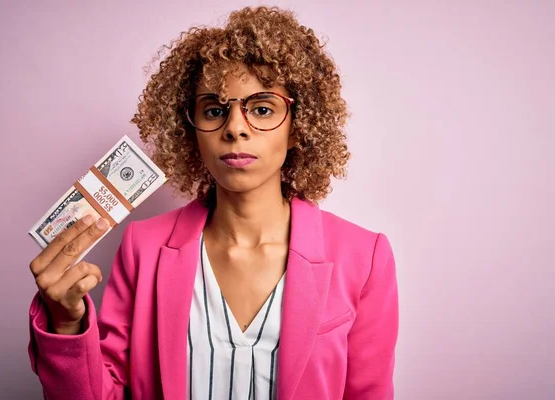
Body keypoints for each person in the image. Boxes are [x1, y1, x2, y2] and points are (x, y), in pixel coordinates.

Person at [27, 6, 399, 400]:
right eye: (215, 110)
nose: (235, 128)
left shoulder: (365, 257)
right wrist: (67, 326)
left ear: (298, 128)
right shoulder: (143, 247)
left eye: (261, 109)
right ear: (193, 132)